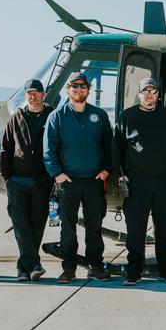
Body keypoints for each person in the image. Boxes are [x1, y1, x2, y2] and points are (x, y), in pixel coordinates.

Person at [43, 71, 113, 284]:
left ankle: (95, 266)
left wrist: (106, 170)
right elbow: (49, 148)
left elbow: (109, 145)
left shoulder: (99, 115)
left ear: (88, 89)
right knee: (68, 227)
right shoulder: (57, 116)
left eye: (83, 86)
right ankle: (69, 268)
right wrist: (57, 174)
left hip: (93, 180)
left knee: (94, 227)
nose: (79, 90)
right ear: (68, 90)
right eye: (75, 86)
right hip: (68, 182)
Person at [113, 77, 166, 285]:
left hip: (163, 180)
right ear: (139, 94)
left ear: (157, 95)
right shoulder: (127, 117)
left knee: (164, 228)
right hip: (136, 181)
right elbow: (116, 148)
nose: (149, 95)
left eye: (153, 91)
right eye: (146, 91)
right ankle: (134, 273)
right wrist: (121, 174)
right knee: (135, 230)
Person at [0, 79, 53, 281]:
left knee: (37, 223)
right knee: (21, 224)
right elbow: (6, 149)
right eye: (29, 93)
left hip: (42, 180)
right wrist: (8, 178)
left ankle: (25, 268)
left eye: (36, 93)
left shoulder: (52, 116)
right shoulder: (15, 118)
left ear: (43, 95)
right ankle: (32, 265)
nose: (32, 96)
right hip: (18, 181)